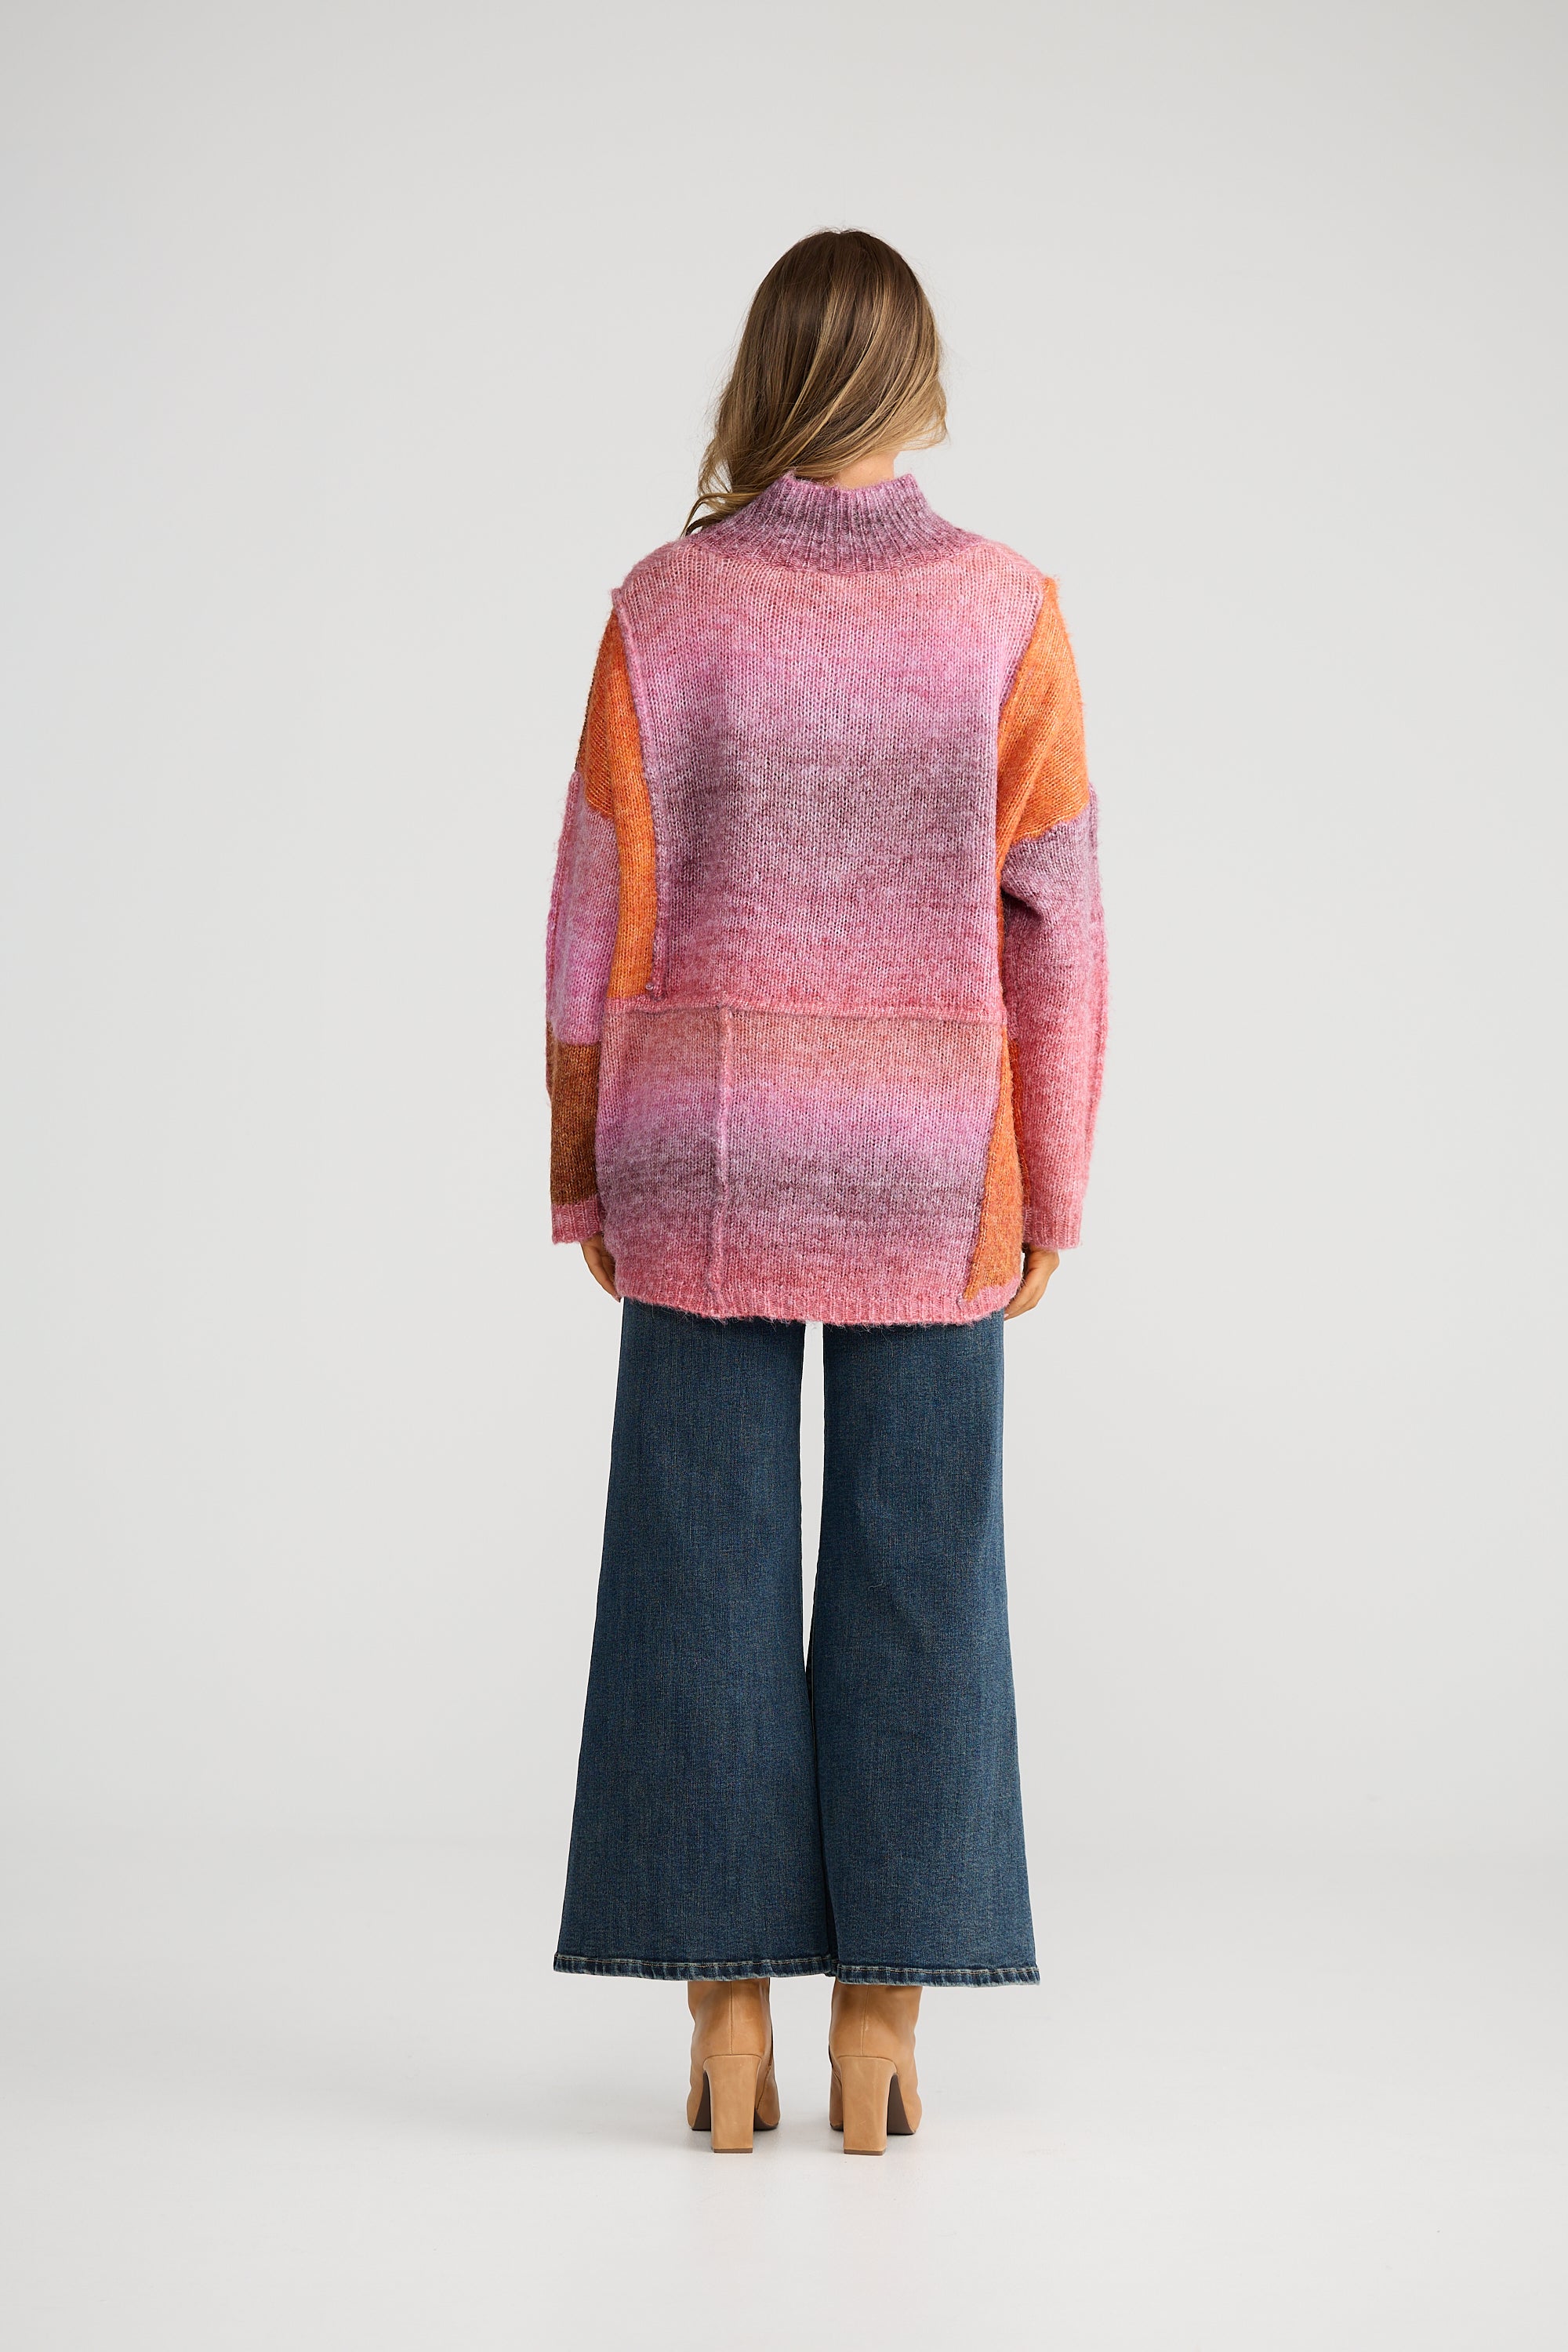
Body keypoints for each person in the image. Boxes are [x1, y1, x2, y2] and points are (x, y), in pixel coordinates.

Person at [544, 227, 1107, 2154]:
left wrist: (580, 1166)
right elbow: (1058, 924)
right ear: (916, 383)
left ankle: (725, 2038)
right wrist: (1052, 1183)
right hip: (933, 1162)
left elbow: (593, 905)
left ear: (765, 375)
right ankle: (883, 2033)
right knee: (920, 1575)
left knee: (692, 1570)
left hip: (700, 1153)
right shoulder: (1005, 611)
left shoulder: (664, 606)